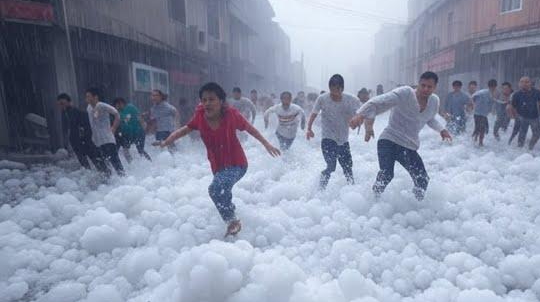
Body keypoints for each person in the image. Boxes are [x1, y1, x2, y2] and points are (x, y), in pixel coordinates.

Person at [157, 82, 280, 237]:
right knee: (222, 191)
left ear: (221, 101)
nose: (207, 103)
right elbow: (185, 130)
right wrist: (166, 142)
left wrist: (266, 144)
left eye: (211, 99)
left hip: (237, 164)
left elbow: (250, 129)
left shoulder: (232, 115)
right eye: (204, 100)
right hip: (218, 166)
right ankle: (233, 221)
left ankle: (232, 222)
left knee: (215, 189)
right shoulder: (200, 116)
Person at [349, 71, 452, 201]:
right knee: (387, 174)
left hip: (408, 146)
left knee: (422, 179)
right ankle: (373, 200)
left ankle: (417, 204)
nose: (425, 89)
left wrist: (442, 130)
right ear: (418, 84)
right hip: (389, 140)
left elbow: (429, 118)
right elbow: (379, 102)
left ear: (435, 87)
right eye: (423, 85)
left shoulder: (434, 101)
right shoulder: (406, 93)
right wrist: (360, 114)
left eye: (429, 87)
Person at [307, 74, 361, 189]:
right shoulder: (322, 99)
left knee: (347, 167)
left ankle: (352, 189)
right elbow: (314, 113)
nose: (332, 93)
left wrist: (357, 123)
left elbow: (360, 115)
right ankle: (321, 189)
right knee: (331, 166)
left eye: (335, 90)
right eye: (330, 89)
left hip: (343, 140)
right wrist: (309, 128)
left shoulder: (352, 100)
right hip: (327, 138)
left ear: (341, 89)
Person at [57, 93, 107, 173]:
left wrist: (88, 138)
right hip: (76, 142)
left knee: (96, 160)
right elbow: (66, 128)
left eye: (62, 103)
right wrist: (68, 142)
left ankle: (107, 176)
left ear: (69, 102)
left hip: (86, 140)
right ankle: (92, 177)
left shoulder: (76, 111)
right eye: (59, 104)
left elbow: (88, 125)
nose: (61, 106)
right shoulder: (64, 113)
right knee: (84, 163)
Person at [85, 87, 125, 177]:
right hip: (97, 141)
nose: (86, 99)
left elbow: (116, 114)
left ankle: (124, 180)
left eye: (88, 96)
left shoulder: (102, 105)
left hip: (108, 139)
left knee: (115, 162)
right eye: (86, 96)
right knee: (102, 163)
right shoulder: (88, 108)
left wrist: (114, 128)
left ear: (95, 97)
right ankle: (109, 181)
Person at [507, 76, 540, 150]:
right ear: (519, 84)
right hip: (522, 117)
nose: (524, 84)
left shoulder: (537, 92)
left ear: (530, 83)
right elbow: (512, 106)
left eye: (526, 82)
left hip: (534, 117)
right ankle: (518, 149)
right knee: (521, 134)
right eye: (522, 82)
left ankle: (530, 147)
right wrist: (513, 116)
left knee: (537, 135)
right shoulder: (516, 94)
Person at [112, 98, 151, 162]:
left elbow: (139, 117)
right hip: (127, 135)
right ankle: (131, 165)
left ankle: (149, 162)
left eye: (117, 105)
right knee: (125, 150)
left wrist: (144, 126)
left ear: (121, 103)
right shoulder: (118, 113)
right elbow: (118, 123)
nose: (116, 107)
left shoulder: (130, 107)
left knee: (140, 150)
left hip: (138, 132)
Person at [471, 79, 498, 147]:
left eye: (494, 87)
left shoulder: (491, 94)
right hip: (478, 113)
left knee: (481, 128)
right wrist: (474, 104)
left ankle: (477, 141)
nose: (493, 88)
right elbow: (473, 96)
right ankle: (478, 142)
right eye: (492, 86)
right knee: (481, 128)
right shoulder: (483, 92)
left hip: (483, 114)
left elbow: (491, 103)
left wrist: (491, 110)